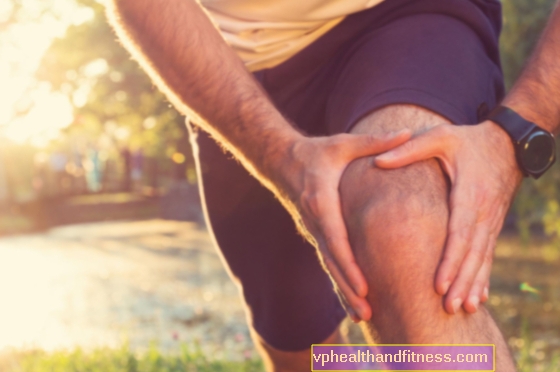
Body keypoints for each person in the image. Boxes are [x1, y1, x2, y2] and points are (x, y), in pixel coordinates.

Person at [107, 0, 559, 370]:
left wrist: (518, 130)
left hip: (407, 17)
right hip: (230, 63)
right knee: (305, 351)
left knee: (403, 225)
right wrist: (277, 154)